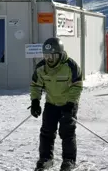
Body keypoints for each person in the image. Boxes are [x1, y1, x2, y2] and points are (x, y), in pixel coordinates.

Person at [30, 37, 83, 171]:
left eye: (52, 56)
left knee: (67, 133)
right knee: (47, 132)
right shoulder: (41, 67)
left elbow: (77, 86)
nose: (49, 59)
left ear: (59, 54)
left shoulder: (71, 66)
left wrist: (70, 104)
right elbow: (35, 85)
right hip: (51, 103)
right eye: (46, 56)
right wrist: (35, 101)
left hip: (68, 104)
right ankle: (46, 159)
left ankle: (69, 160)